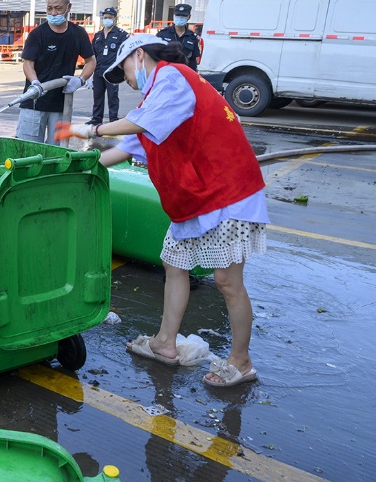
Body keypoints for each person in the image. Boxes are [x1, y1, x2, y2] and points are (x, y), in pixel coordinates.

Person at [55, 35, 268, 388]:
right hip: (196, 199)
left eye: (123, 71)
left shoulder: (172, 77)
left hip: (227, 192)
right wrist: (77, 168)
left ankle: (241, 362)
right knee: (175, 264)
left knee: (227, 282)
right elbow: (125, 149)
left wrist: (88, 129)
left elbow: (138, 124)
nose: (126, 79)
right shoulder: (159, 99)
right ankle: (165, 343)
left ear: (139, 55)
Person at [15, 0, 96, 145]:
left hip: (61, 104)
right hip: (34, 102)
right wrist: (35, 83)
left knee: (56, 151)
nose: (53, 13)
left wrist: (80, 80)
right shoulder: (37, 34)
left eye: (58, 8)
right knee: (27, 149)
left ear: (68, 7)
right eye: (49, 8)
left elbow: (91, 61)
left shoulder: (78, 34)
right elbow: (28, 64)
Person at [89, 7, 129, 125]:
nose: (107, 20)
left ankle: (113, 119)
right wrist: (91, 73)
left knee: (112, 97)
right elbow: (93, 55)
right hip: (98, 71)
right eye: (105, 17)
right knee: (97, 97)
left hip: (112, 72)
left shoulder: (121, 35)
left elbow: (125, 53)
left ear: (114, 19)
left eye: (110, 18)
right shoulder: (98, 36)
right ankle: (96, 119)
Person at [156, 3, 201, 70]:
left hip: (184, 73)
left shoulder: (193, 38)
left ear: (189, 17)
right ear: (174, 16)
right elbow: (155, 55)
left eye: (183, 15)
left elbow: (193, 61)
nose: (180, 18)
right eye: (178, 15)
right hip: (166, 72)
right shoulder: (163, 34)